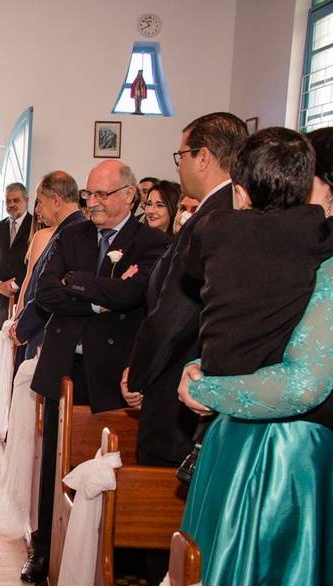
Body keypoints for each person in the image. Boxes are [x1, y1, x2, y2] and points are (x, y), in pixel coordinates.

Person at [22, 160, 170, 584]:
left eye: (103, 195)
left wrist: (80, 284)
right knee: (53, 462)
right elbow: (47, 292)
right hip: (64, 365)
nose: (94, 203)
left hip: (113, 371)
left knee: (109, 465)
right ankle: (45, 550)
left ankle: (112, 559)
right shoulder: (73, 234)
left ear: (129, 195)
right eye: (89, 194)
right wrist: (97, 298)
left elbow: (133, 294)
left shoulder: (150, 242)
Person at [124, 112, 248, 467]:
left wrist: (137, 374)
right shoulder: (234, 213)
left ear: (203, 157)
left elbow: (175, 314)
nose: (178, 167)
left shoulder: (210, 222)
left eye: (182, 156)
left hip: (178, 385)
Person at [183, 127, 333, 378]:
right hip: (267, 369)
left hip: (216, 362)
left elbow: (193, 268)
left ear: (240, 194)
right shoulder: (311, 227)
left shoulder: (212, 225)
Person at [12, 171, 85, 363]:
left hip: (48, 335)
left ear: (56, 200)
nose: (37, 209)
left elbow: (51, 291)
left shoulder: (72, 234)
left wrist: (22, 327)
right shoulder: (66, 230)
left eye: (40, 202)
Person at [0, 182, 32, 331]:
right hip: (1, 299)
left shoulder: (36, 226)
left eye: (16, 200)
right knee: (2, 345)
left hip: (25, 298)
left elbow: (34, 263)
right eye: (8, 201)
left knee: (18, 349)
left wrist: (12, 286)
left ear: (26, 201)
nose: (11, 204)